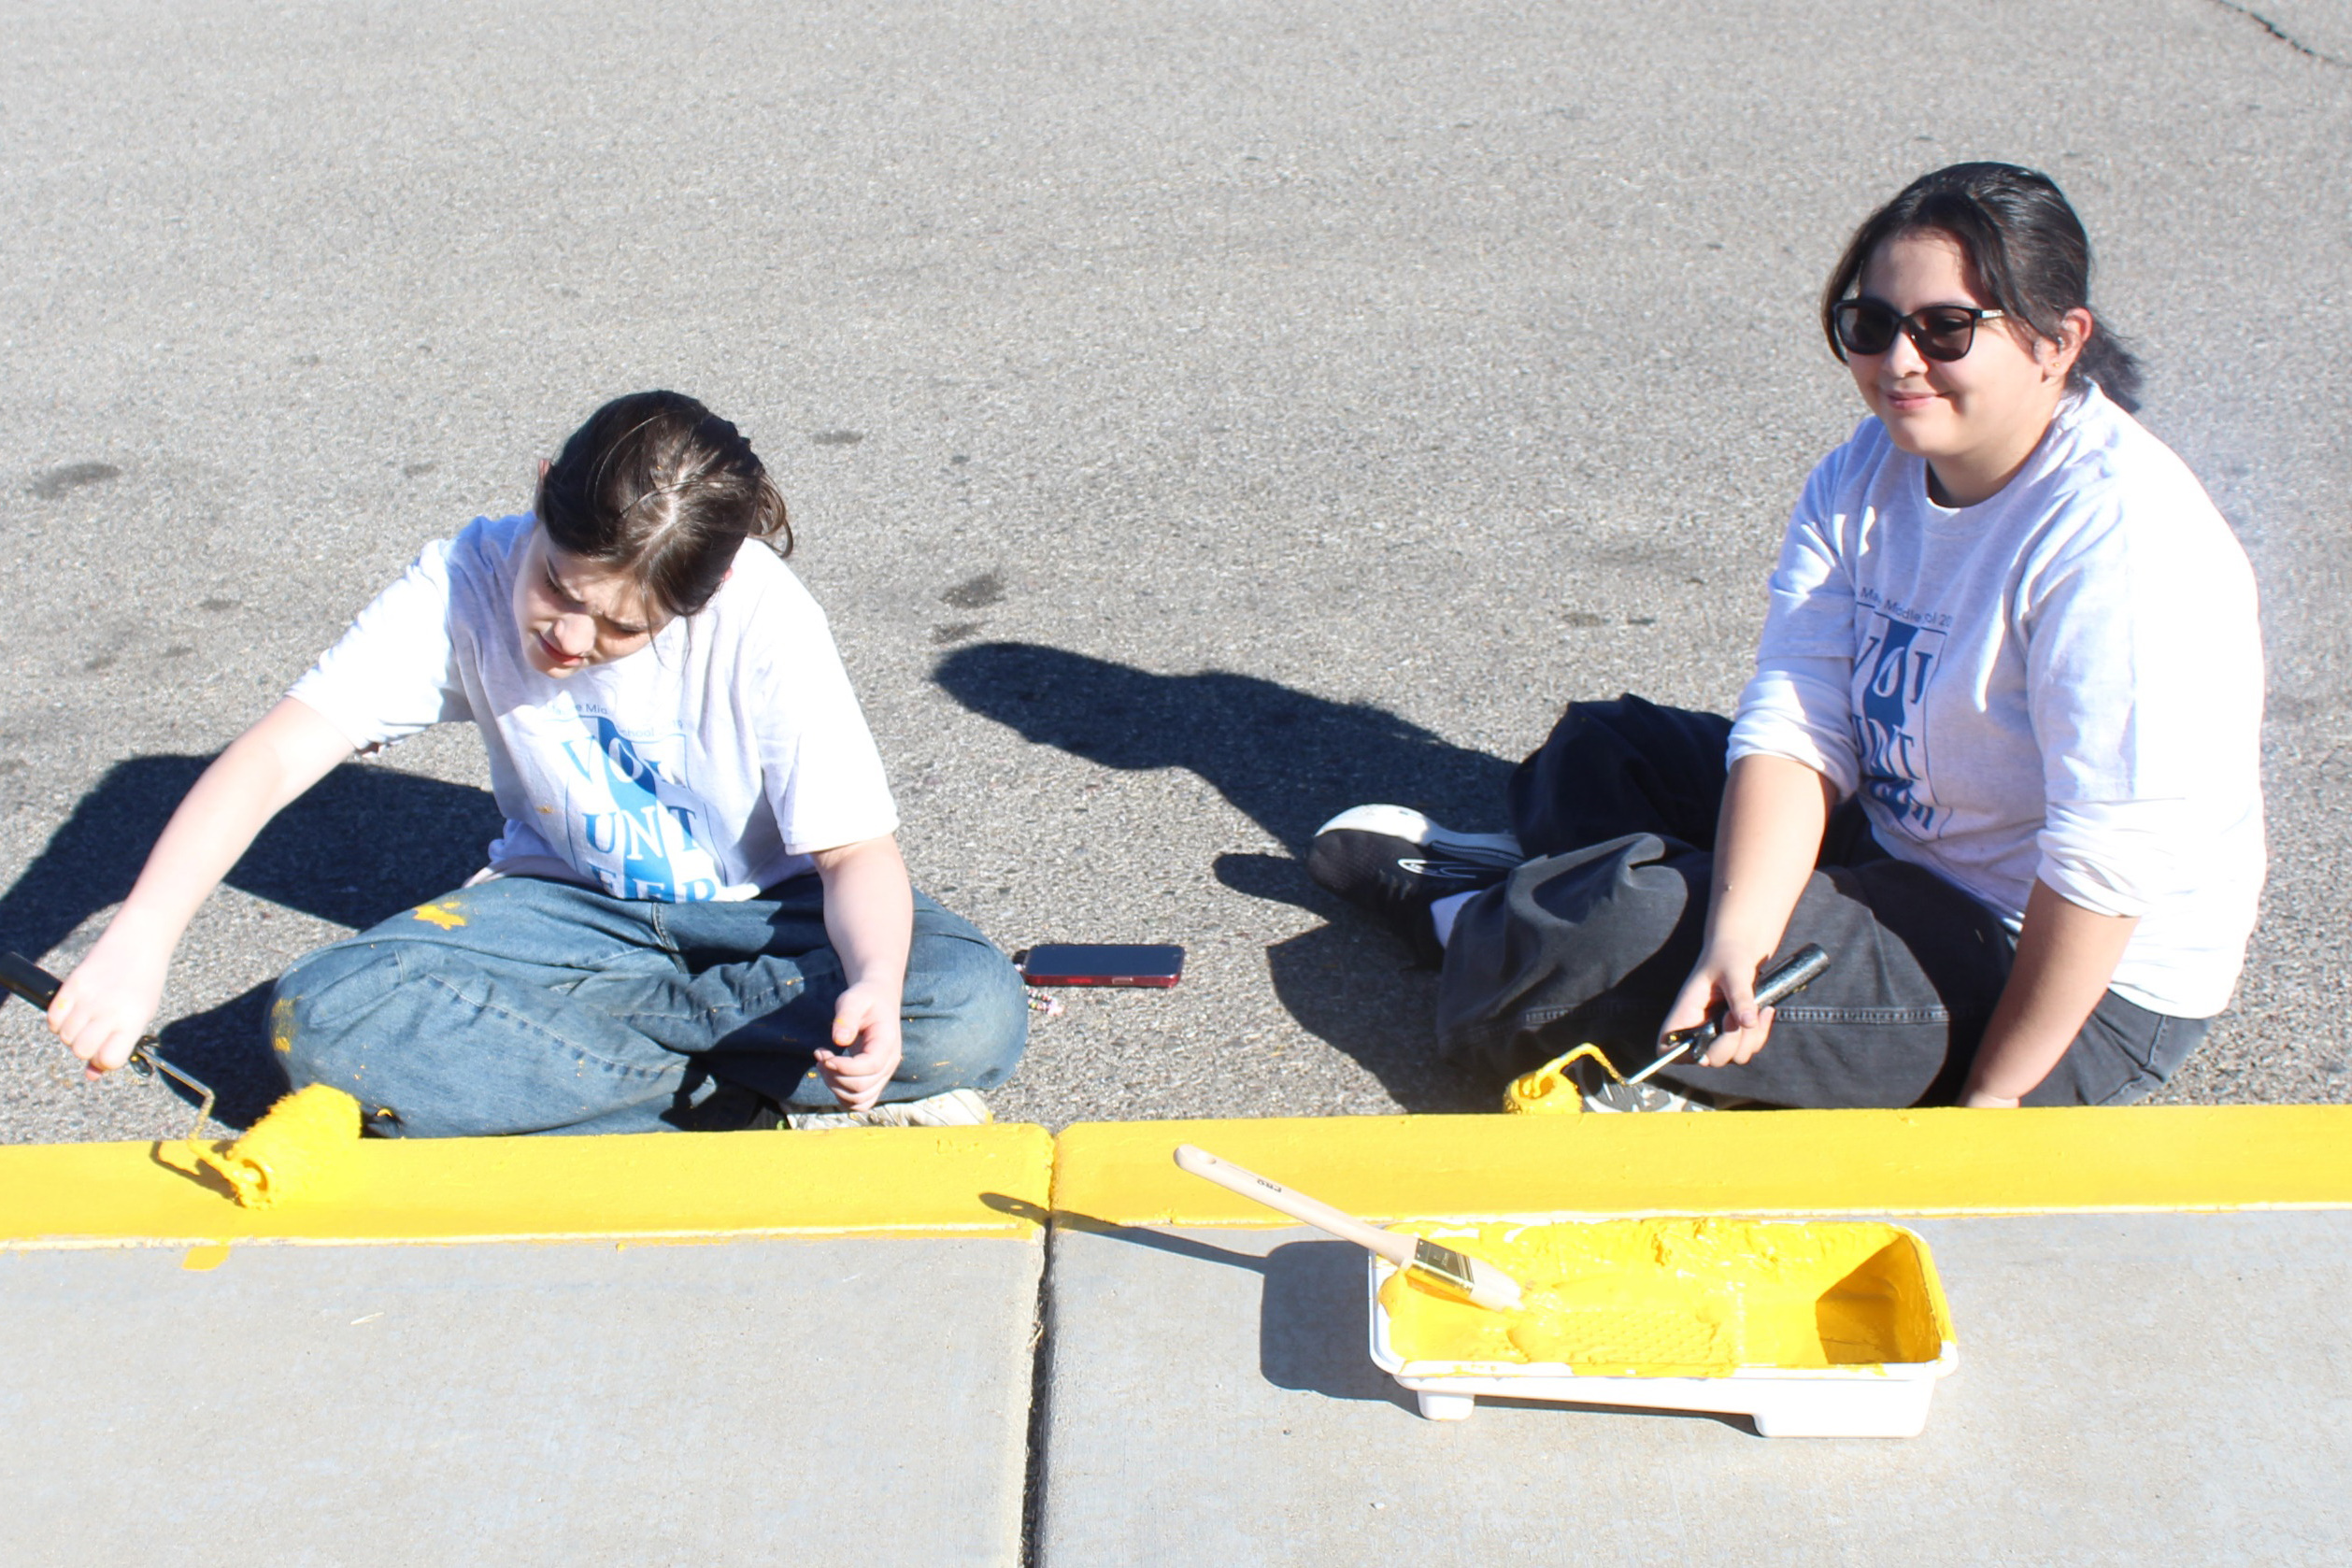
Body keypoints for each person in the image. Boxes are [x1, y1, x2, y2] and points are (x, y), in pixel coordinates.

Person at [1309, 163, 2264, 1111]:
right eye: (1872, 323)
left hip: (2054, 975)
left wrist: (1994, 1104)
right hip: (1904, 846)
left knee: (1623, 932)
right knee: (1607, 749)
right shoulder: (1870, 467)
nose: (1900, 361)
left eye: (1946, 328)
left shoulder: (2125, 544)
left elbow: (2105, 869)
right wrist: (1740, 940)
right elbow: (1801, 713)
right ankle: (1559, 904)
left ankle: (1475, 924)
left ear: (2059, 342)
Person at [43, 391, 1028, 1134]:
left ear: (706, 589)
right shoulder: (462, 580)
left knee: (968, 1004)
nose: (567, 634)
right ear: (543, 483)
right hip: (567, 913)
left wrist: (869, 984)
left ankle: (605, 1084)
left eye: (621, 626)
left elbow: (858, 855)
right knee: (325, 1019)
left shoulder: (760, 613)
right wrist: (139, 942)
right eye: (559, 583)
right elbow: (273, 755)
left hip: (771, 915)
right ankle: (760, 1083)